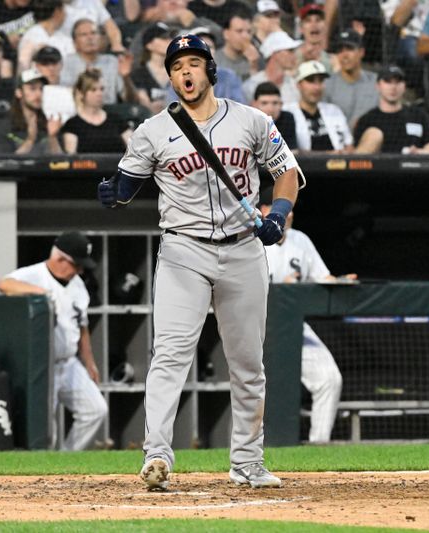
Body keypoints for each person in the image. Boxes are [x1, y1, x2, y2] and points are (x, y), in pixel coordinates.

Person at [97, 33, 302, 489]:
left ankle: (247, 462)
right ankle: (157, 456)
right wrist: (113, 195)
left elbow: (286, 171)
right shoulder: (152, 130)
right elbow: (127, 187)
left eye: (193, 63)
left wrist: (280, 215)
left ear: (210, 70)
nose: (185, 72)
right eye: (176, 67)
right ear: (169, 77)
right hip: (183, 251)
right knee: (169, 354)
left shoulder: (250, 120)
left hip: (244, 249)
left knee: (248, 363)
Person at [0, 231, 109, 451]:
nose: (79, 270)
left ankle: (67, 458)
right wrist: (38, 292)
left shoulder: (78, 284)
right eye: (76, 264)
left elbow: (82, 327)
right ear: (60, 259)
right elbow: (4, 284)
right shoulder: (34, 274)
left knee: (96, 410)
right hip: (43, 365)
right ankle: (46, 475)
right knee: (47, 430)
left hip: (69, 363)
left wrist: (89, 362)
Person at [259, 188, 350, 443]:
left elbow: (322, 277)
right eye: (282, 208)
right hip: (256, 328)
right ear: (264, 210)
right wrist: (280, 287)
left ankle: (318, 448)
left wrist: (340, 281)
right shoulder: (250, 239)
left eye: (290, 208)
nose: (289, 214)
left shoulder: (300, 240)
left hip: (293, 327)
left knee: (329, 379)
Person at [354, 64, 429, 154]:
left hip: (414, 166)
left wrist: (419, 153)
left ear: (404, 86)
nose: (393, 87)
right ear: (378, 85)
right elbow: (359, 157)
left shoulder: (418, 116)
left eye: (398, 82)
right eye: (388, 82)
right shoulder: (367, 120)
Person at [283, 60, 353, 152]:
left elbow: (349, 145)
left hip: (337, 164)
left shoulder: (334, 110)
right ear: (298, 85)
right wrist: (327, 155)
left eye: (320, 81)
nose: (317, 87)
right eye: (311, 81)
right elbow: (290, 152)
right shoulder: (287, 112)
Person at [165, 26, 247, 103]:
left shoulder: (229, 76)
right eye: (200, 48)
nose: (207, 51)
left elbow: (240, 108)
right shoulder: (179, 77)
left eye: (210, 47)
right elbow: (170, 107)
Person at [60, 18, 133, 105]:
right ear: (74, 42)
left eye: (93, 33)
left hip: (109, 112)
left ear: (100, 38)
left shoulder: (112, 61)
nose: (90, 38)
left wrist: (126, 78)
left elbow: (129, 99)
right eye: (84, 35)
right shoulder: (66, 63)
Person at [0, 67, 63, 154]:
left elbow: (62, 163)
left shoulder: (49, 124)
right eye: (32, 89)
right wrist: (30, 140)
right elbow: (4, 164)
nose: (38, 94)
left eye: (41, 89)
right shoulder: (5, 126)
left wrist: (53, 137)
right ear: (19, 93)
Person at [61, 68, 131, 153]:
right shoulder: (73, 125)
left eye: (101, 89)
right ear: (81, 93)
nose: (99, 94)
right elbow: (71, 157)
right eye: (93, 90)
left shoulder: (116, 120)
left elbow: (135, 150)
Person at [323, 29, 378, 130]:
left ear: (361, 52)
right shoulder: (327, 84)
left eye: (349, 49)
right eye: (340, 50)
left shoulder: (376, 82)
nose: (344, 55)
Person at [242, 30, 301, 104]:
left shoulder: (294, 86)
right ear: (275, 53)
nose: (294, 56)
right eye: (290, 51)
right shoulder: (251, 86)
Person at [214, 9, 260, 81]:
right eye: (239, 31)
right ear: (226, 34)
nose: (245, 36)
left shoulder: (257, 59)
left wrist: (254, 66)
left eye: (248, 31)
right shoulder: (214, 60)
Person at [253, 81, 296, 147]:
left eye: (275, 103)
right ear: (255, 105)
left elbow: (292, 150)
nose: (270, 109)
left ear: (281, 104)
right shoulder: (247, 122)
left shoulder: (287, 118)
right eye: (264, 103)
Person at [295, 4, 333, 73]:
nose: (314, 24)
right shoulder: (293, 57)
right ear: (301, 29)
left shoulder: (333, 61)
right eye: (308, 20)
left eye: (318, 20)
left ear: (324, 26)